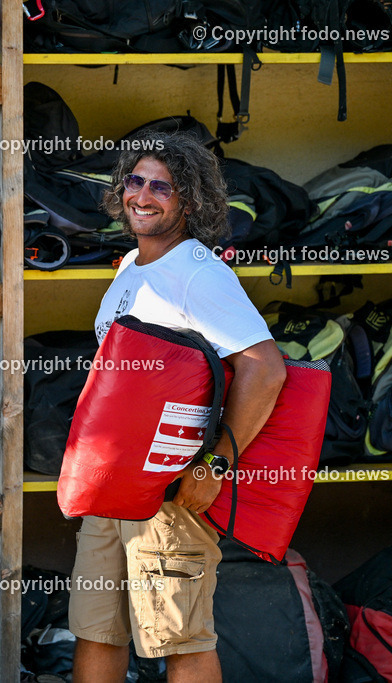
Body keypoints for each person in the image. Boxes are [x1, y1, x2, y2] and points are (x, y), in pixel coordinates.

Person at [70, 130, 287, 683]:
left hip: (168, 490)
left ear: (189, 202)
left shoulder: (198, 273)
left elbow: (265, 366)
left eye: (161, 187)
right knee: (97, 629)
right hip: (113, 486)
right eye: (134, 181)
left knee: (181, 638)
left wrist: (215, 465)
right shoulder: (130, 267)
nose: (142, 195)